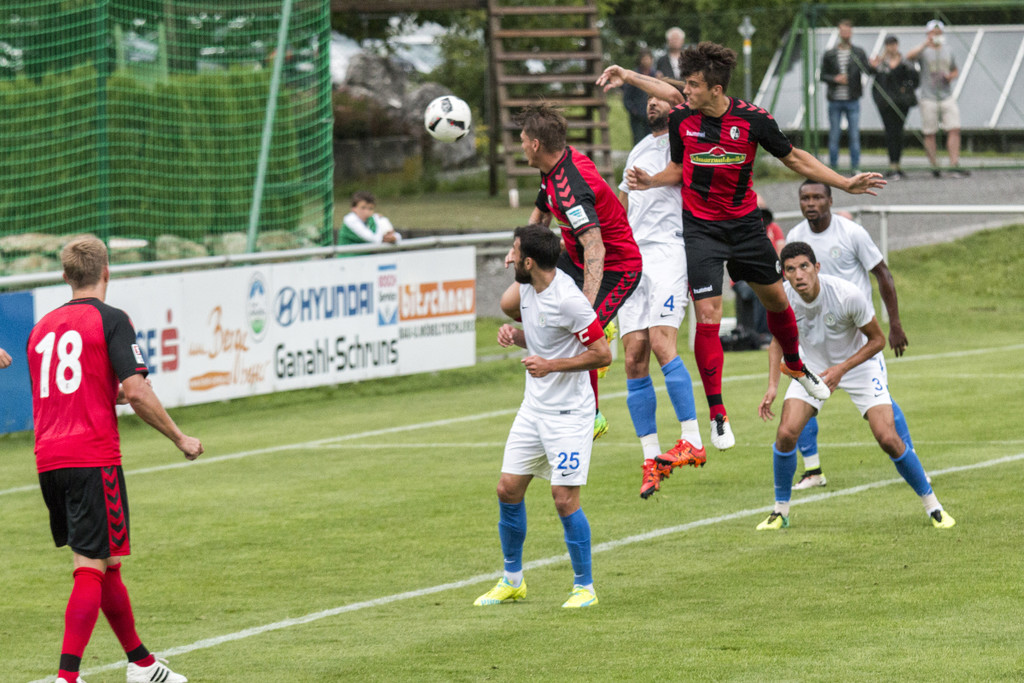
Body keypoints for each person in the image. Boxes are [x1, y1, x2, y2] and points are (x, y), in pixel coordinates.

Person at [597, 42, 885, 450]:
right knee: (709, 315)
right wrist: (651, 180)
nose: (686, 91)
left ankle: (798, 366)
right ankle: (717, 414)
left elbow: (797, 159)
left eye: (694, 85)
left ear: (715, 89)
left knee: (778, 304)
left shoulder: (752, 120)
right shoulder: (683, 119)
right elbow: (679, 168)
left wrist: (844, 182)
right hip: (701, 232)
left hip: (747, 228)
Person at [28, 236, 203, 683]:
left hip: (50, 459)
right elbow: (139, 391)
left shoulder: (42, 327)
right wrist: (179, 437)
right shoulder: (112, 320)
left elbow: (70, 392)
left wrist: (111, 395)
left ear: (66, 276)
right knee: (90, 567)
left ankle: (141, 663)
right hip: (92, 458)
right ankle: (67, 677)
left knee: (104, 562)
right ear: (107, 271)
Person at [755, 242, 955, 530]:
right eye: (790, 269)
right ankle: (779, 513)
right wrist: (773, 386)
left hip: (858, 365)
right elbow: (776, 341)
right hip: (810, 369)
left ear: (817, 268)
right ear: (784, 274)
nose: (798, 275)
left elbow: (877, 341)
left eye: (804, 267)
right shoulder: (781, 300)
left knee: (887, 437)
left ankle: (934, 507)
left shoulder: (846, 295)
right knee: (786, 433)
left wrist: (841, 369)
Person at [476, 224, 612, 609]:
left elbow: (603, 355)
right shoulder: (528, 290)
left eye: (515, 252)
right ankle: (512, 580)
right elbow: (542, 337)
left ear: (530, 261)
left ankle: (584, 587)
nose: (510, 258)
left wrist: (551, 365)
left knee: (564, 498)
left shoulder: (569, 300)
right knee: (507, 488)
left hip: (569, 414)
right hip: (533, 408)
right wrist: (515, 336)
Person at [507, 103, 643, 439]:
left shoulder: (571, 187)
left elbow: (597, 248)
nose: (520, 145)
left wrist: (584, 309)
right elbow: (540, 214)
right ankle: (592, 327)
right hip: (575, 258)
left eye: (523, 139)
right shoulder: (551, 167)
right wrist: (520, 248)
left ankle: (593, 415)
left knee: (579, 334)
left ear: (536, 144)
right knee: (510, 303)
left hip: (616, 266)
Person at [786, 180, 915, 490]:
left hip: (857, 336)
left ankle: (909, 455)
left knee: (880, 400)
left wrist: (894, 324)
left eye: (818, 197)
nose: (811, 203)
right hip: (815, 338)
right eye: (805, 198)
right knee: (801, 397)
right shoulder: (794, 237)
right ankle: (813, 469)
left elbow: (882, 273)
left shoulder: (851, 232)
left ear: (830, 200)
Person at [614, 83, 705, 500]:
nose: (652, 102)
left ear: (677, 103)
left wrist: (630, 74)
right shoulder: (636, 149)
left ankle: (692, 438)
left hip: (669, 252)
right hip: (633, 258)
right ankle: (651, 459)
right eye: (648, 99)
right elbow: (622, 203)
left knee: (662, 342)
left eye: (659, 97)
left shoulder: (686, 137)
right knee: (633, 356)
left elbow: (675, 173)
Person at [906, 20, 969, 178]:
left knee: (954, 128)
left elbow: (955, 70)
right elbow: (909, 57)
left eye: (939, 33)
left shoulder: (948, 50)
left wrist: (951, 77)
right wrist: (925, 44)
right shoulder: (923, 51)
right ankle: (934, 165)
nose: (937, 36)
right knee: (930, 132)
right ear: (928, 34)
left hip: (946, 96)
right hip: (928, 97)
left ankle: (954, 163)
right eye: (933, 33)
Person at [820, 19, 871, 172]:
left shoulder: (859, 52)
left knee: (854, 135)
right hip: (835, 99)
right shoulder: (830, 54)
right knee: (834, 135)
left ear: (851, 32)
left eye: (848, 31)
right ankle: (833, 167)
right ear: (839, 32)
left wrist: (873, 65)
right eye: (843, 31)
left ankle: (855, 167)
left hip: (852, 99)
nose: (845, 34)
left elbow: (867, 70)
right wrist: (835, 79)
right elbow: (822, 75)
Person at [870, 35, 920, 180]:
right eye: (888, 44)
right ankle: (892, 164)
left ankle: (897, 164)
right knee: (890, 133)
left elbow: (915, 80)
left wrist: (906, 88)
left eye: (893, 44)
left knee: (898, 133)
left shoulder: (905, 63)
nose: (891, 47)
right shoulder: (881, 64)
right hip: (885, 104)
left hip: (901, 103)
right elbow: (871, 74)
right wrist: (874, 64)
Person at [623, 48, 657, 146]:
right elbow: (627, 97)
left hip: (652, 116)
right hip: (638, 116)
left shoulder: (655, 75)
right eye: (644, 58)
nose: (646, 61)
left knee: (653, 141)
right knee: (638, 140)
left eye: (648, 58)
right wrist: (634, 110)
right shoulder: (634, 75)